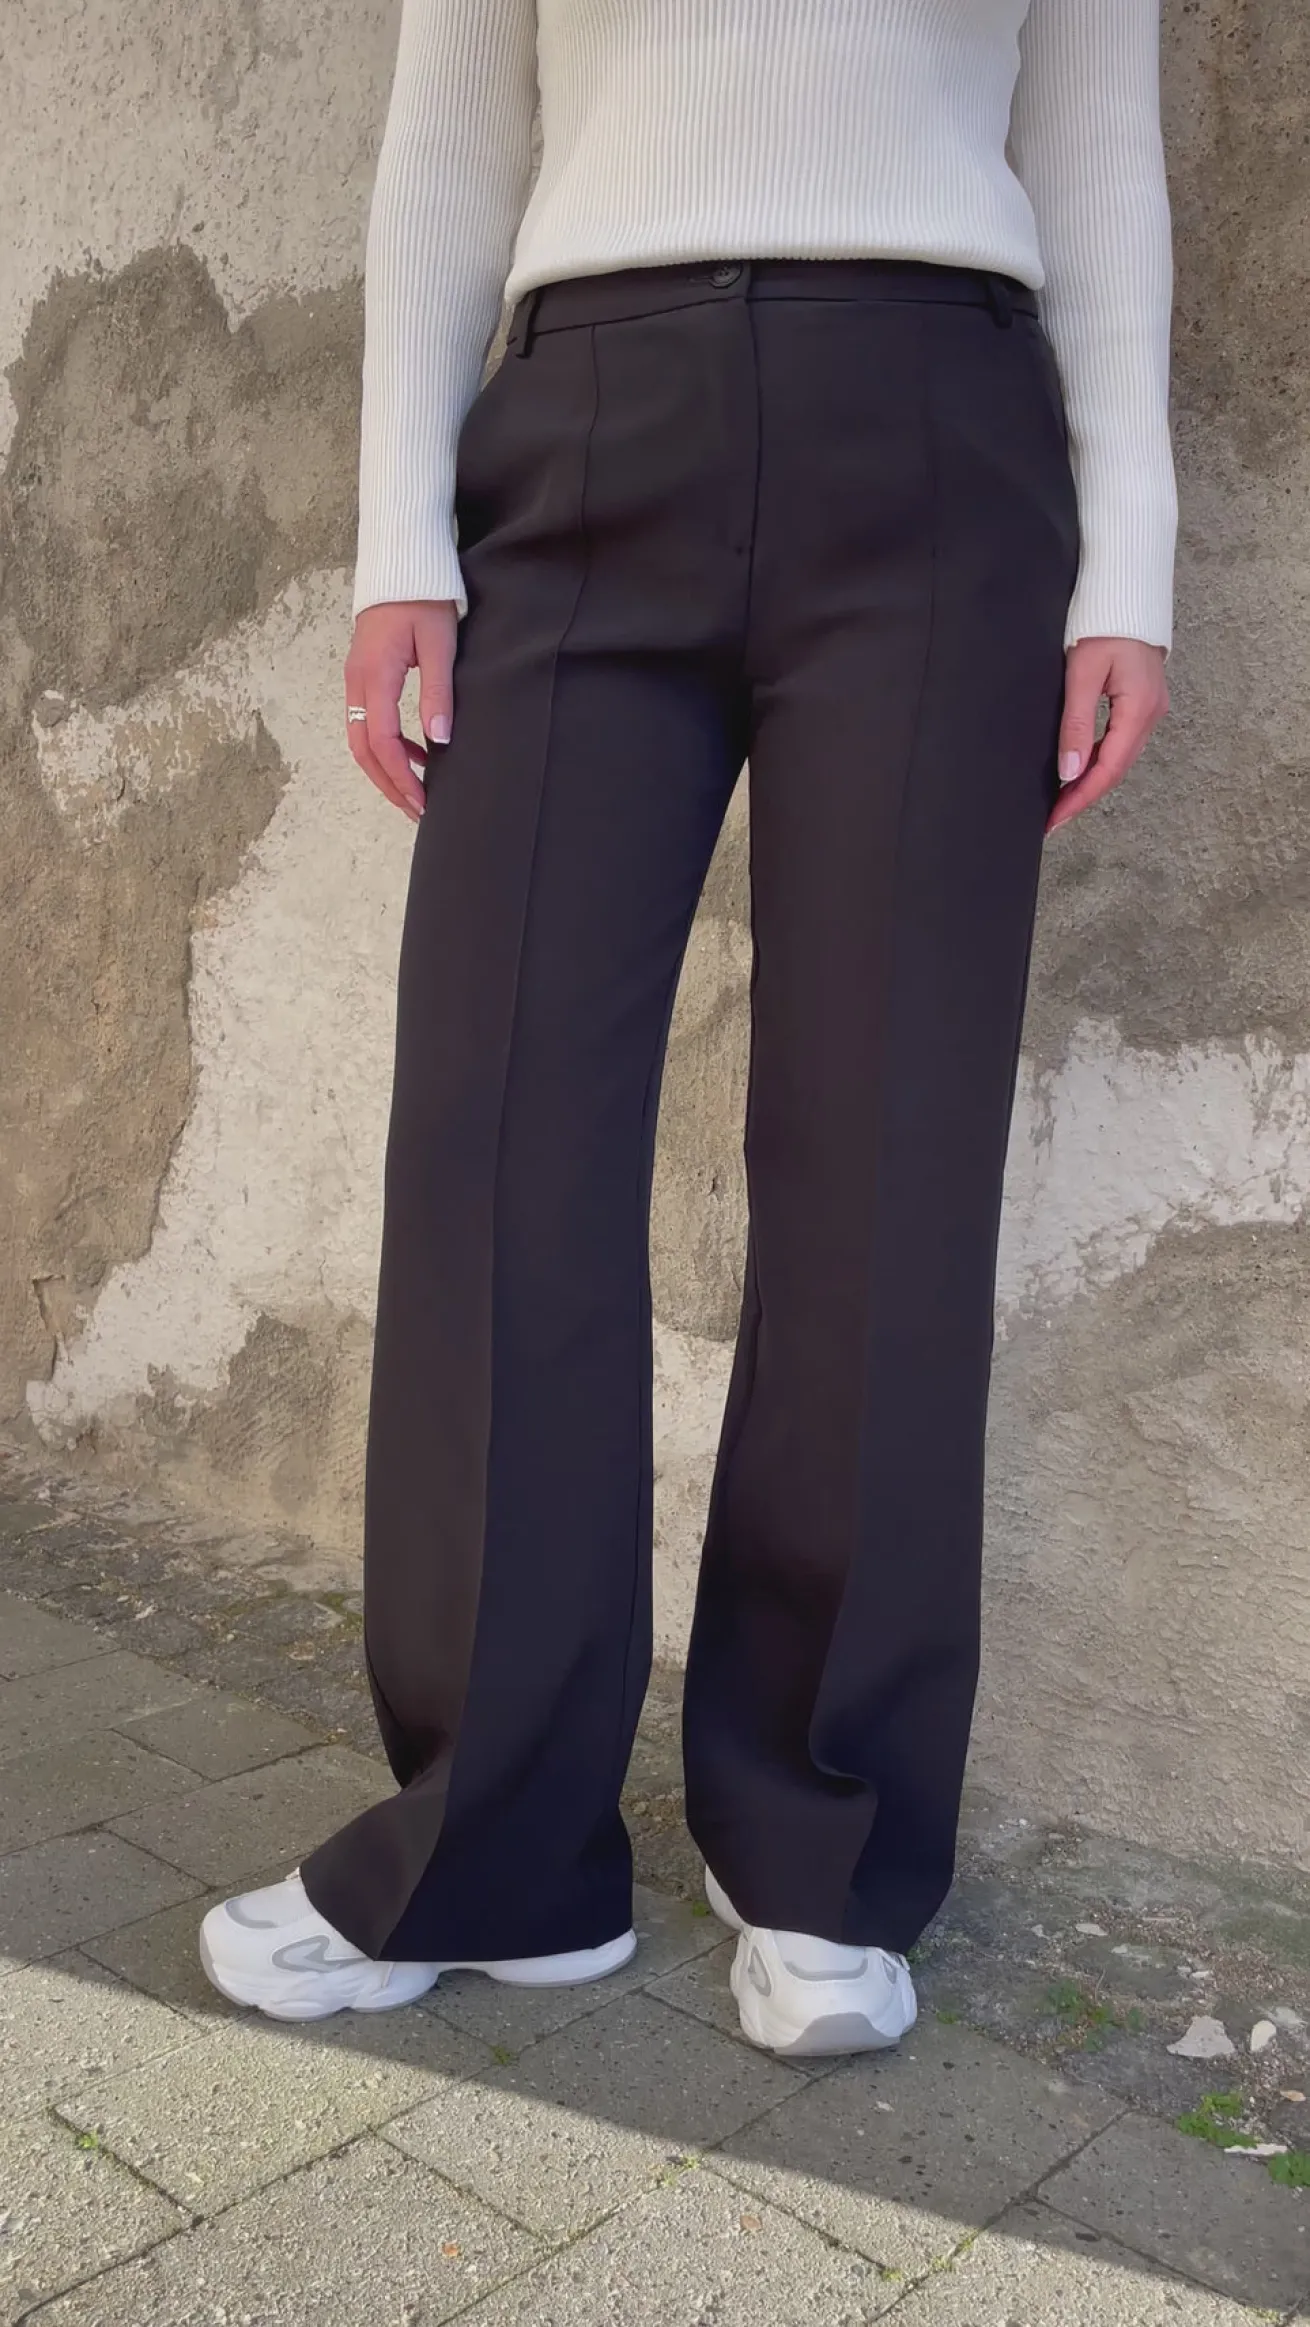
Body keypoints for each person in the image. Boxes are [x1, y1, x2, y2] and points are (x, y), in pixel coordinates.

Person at [199, 0, 1174, 2056]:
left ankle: (820, 1842)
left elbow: (1096, 152)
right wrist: (397, 537)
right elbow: (449, 138)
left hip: (937, 435)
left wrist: (1131, 568)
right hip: (583, 427)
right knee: (496, 1139)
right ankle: (497, 1850)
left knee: (885, 1159)